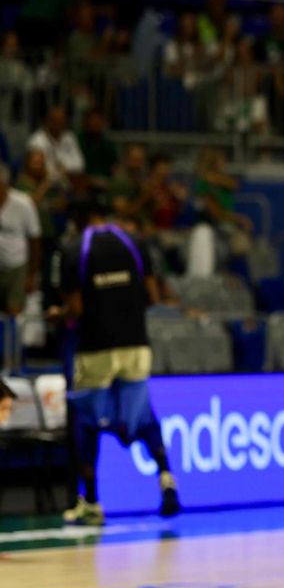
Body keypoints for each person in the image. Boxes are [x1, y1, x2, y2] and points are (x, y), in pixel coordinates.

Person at [59, 197, 178, 526]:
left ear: (78, 221)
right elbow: (153, 295)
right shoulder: (133, 241)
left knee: (87, 422)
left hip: (96, 348)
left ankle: (92, 503)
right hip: (137, 346)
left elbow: (76, 309)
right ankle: (167, 479)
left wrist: (58, 314)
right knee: (141, 417)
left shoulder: (74, 249)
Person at [0, 165, 41, 317]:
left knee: (14, 313)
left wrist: (32, 275)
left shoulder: (23, 203)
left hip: (17, 266)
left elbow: (35, 240)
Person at [26, 105, 84, 182]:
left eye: (61, 120)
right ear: (47, 120)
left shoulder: (69, 137)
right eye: (54, 120)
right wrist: (61, 170)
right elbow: (39, 169)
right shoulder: (36, 140)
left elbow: (80, 164)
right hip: (42, 182)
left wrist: (64, 169)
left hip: (68, 180)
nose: (58, 123)